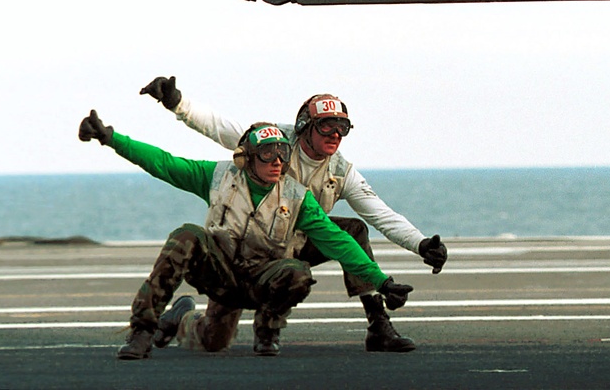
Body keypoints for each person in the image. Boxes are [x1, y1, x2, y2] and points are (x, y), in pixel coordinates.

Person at [140, 76, 447, 353]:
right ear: (304, 126)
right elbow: (218, 127)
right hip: (244, 252)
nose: (335, 135)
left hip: (292, 245)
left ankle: (378, 325)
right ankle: (181, 319)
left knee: (352, 230)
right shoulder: (269, 141)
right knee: (213, 339)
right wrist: (177, 103)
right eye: (327, 125)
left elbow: (380, 214)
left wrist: (420, 244)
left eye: (342, 128)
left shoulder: (341, 172)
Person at [77, 110, 413, 360]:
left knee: (297, 273)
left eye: (282, 154)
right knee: (187, 239)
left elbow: (338, 241)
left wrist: (382, 282)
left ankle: (268, 332)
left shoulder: (297, 196)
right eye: (268, 154)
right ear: (246, 158)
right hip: (220, 272)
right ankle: (144, 330)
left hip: (262, 277)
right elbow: (164, 163)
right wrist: (111, 138)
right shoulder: (216, 176)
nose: (277, 162)